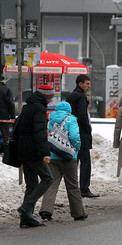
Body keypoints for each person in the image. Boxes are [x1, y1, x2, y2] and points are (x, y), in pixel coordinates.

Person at [39, 101, 88, 222]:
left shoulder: (52, 118)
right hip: (68, 157)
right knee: (72, 185)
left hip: (53, 156)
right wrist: (76, 148)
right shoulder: (71, 119)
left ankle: (46, 211)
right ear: (69, 110)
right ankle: (78, 213)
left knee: (51, 184)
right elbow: (74, 137)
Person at [16, 85, 55, 228]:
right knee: (48, 178)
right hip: (33, 151)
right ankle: (26, 207)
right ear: (46, 97)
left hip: (23, 150)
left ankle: (26, 219)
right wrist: (45, 152)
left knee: (31, 185)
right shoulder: (39, 109)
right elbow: (39, 132)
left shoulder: (28, 107)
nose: (51, 100)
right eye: (50, 97)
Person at [66, 74, 99, 198]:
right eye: (87, 84)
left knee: (74, 162)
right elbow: (82, 116)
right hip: (81, 134)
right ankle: (84, 189)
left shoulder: (71, 96)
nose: (89, 86)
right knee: (85, 162)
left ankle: (73, 188)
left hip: (71, 132)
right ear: (80, 84)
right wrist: (88, 128)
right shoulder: (80, 97)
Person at [0, 76, 15, 151]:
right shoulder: (6, 90)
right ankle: (6, 150)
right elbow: (11, 103)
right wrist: (12, 117)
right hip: (4, 116)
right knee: (5, 134)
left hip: (4, 115)